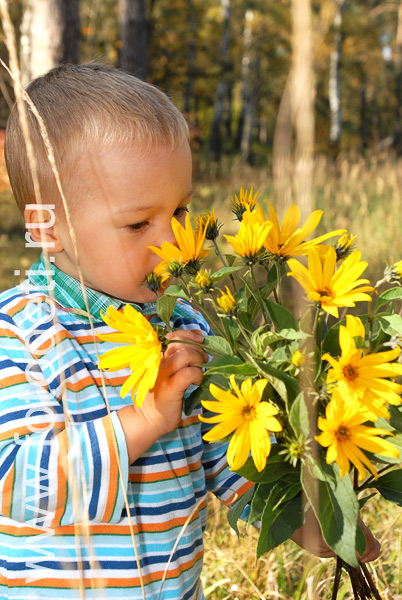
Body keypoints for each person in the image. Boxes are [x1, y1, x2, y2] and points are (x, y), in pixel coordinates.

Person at [0, 63, 379, 600]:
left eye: (180, 209)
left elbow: (227, 452)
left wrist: (306, 519)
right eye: (138, 224)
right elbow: (17, 487)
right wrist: (146, 420)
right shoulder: (20, 333)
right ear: (45, 227)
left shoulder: (183, 325)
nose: (174, 238)